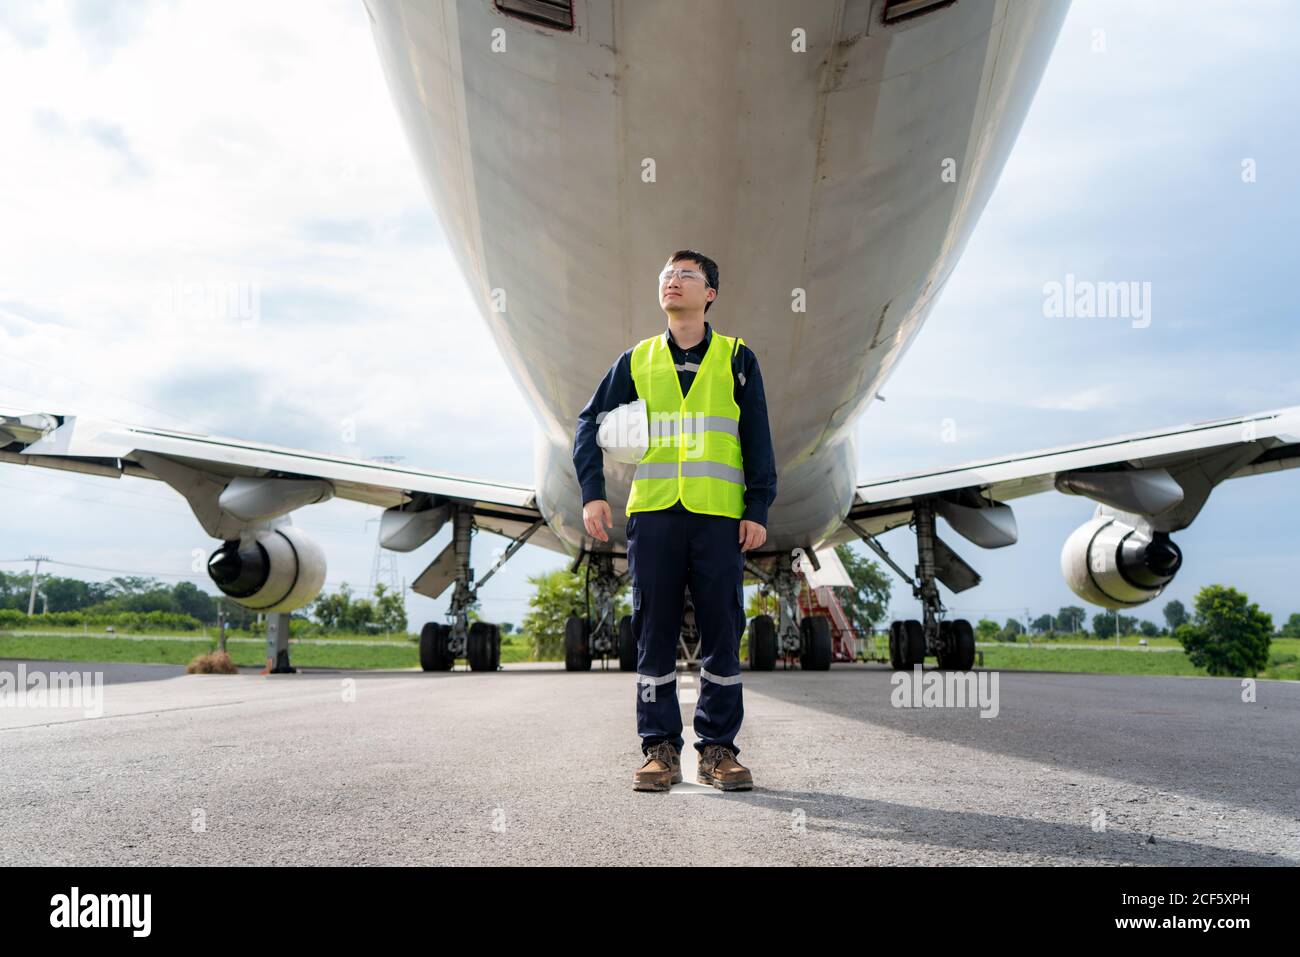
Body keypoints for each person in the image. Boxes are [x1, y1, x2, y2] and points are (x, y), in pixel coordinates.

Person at [572, 249, 777, 792]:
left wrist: (757, 507)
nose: (673, 281)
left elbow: (757, 437)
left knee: (722, 632)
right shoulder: (637, 360)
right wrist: (593, 494)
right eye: (667, 274)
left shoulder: (737, 358)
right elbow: (588, 422)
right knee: (653, 633)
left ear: (710, 293)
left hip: (717, 516)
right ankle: (659, 749)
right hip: (655, 514)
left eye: (687, 275)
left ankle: (718, 750)